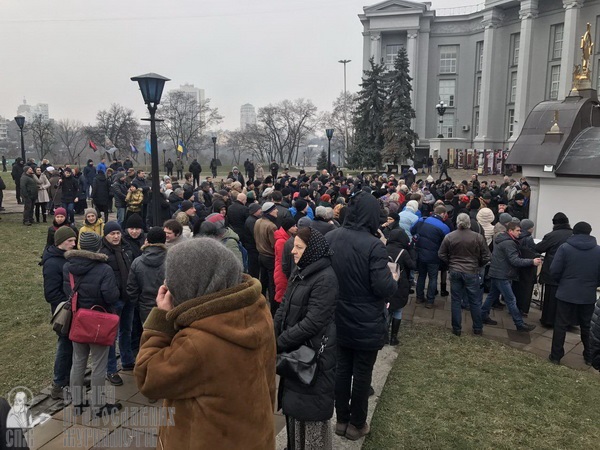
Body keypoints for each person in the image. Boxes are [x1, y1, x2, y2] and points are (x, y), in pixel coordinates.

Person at [134, 238, 276, 449]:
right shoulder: (257, 310)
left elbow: (147, 377)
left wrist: (162, 319)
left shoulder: (198, 342)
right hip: (253, 435)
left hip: (206, 439)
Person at [325, 190, 397, 441]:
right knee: (362, 373)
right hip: (366, 318)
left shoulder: (331, 236)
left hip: (337, 315)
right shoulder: (374, 245)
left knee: (342, 370)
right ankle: (356, 424)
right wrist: (391, 272)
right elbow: (384, 287)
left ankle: (341, 420)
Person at [274, 227, 338, 450]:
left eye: (299, 247)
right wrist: (272, 333)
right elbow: (283, 307)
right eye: (294, 246)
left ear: (312, 250)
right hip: (295, 350)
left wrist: (280, 342)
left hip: (311, 355)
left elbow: (313, 322)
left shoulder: (325, 278)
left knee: (310, 410)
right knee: (293, 406)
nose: (293, 251)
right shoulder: (301, 271)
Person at [63, 232, 122, 417]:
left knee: (78, 362)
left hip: (78, 319)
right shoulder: (104, 269)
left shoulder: (68, 266)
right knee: (99, 365)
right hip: (98, 321)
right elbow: (111, 296)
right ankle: (98, 406)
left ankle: (78, 403)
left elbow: (68, 291)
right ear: (97, 247)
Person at [549, 222, 600, 365]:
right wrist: (592, 284)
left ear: (574, 232)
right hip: (587, 295)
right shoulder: (598, 251)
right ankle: (589, 356)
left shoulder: (565, 248)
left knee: (560, 325)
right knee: (587, 326)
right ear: (590, 232)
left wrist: (563, 282)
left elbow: (554, 270)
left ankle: (556, 356)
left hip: (566, 292)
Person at [480, 222, 541, 332]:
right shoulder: (509, 243)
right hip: (502, 274)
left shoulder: (503, 240)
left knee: (492, 296)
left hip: (497, 272)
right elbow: (514, 260)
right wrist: (532, 261)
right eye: (517, 230)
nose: (520, 232)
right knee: (511, 299)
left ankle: (482, 315)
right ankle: (519, 323)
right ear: (510, 231)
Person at [438, 213, 491, 336]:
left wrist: (450, 263)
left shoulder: (450, 236)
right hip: (471, 271)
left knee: (456, 300)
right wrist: (478, 264)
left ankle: (456, 328)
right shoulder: (478, 237)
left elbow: (441, 254)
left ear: (457, 222)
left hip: (455, 270)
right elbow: (487, 256)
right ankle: (477, 328)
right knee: (475, 301)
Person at [42, 226, 77, 400]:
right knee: (64, 346)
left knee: (71, 346)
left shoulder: (68, 257)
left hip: (74, 309)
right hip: (65, 312)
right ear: (59, 242)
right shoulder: (52, 262)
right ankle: (58, 384)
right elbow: (50, 293)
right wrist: (68, 302)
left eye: (74, 240)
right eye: (70, 241)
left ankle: (69, 379)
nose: (73, 243)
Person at [99, 222, 134, 385]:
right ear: (106, 235)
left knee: (126, 331)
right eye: (112, 233)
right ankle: (111, 369)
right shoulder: (103, 253)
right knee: (111, 336)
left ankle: (127, 360)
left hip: (128, 298)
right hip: (114, 300)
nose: (116, 236)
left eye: (118, 233)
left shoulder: (126, 249)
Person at [126, 226, 167, 365]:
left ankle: (147, 365)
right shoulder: (172, 259)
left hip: (144, 306)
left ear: (147, 240)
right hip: (167, 304)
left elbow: (131, 287)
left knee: (148, 339)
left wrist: (138, 303)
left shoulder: (137, 262)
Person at [535, 212, 573, 328]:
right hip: (569, 272)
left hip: (552, 271)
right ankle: (567, 322)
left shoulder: (552, 235)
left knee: (551, 298)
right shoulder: (574, 234)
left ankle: (549, 320)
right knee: (566, 299)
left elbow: (539, 248)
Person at [411, 205, 451, 308]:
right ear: (442, 214)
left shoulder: (422, 220)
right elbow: (447, 243)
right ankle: (430, 301)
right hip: (434, 256)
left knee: (421, 276)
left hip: (420, 253)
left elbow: (412, 230)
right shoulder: (444, 227)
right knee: (433, 278)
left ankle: (419, 297)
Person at [385, 228, 417, 345]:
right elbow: (413, 265)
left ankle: (384, 335)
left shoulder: (384, 248)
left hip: (385, 280)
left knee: (386, 309)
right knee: (398, 310)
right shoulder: (403, 252)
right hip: (400, 283)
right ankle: (393, 337)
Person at [254, 201, 279, 315]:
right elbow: (275, 244)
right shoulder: (271, 226)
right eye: (274, 209)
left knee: (262, 282)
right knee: (272, 285)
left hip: (260, 256)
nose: (277, 211)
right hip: (270, 258)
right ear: (269, 212)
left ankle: (260, 305)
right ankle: (273, 310)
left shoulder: (258, 221)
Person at [273, 217, 298, 306]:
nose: (296, 228)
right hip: (281, 274)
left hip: (282, 272)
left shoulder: (286, 239)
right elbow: (283, 260)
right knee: (281, 298)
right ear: (288, 228)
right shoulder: (281, 242)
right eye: (294, 226)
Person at [245, 203, 262, 278]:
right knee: (254, 268)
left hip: (252, 247)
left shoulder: (252, 219)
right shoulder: (252, 221)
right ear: (255, 211)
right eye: (259, 210)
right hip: (252, 248)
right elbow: (255, 234)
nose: (261, 211)